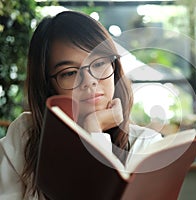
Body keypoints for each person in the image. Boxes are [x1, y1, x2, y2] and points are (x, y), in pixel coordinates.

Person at [0, 10, 163, 199]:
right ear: (48, 86)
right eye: (69, 73)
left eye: (99, 63)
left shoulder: (146, 145)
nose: (90, 80)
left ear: (115, 67)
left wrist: (94, 131)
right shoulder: (24, 135)